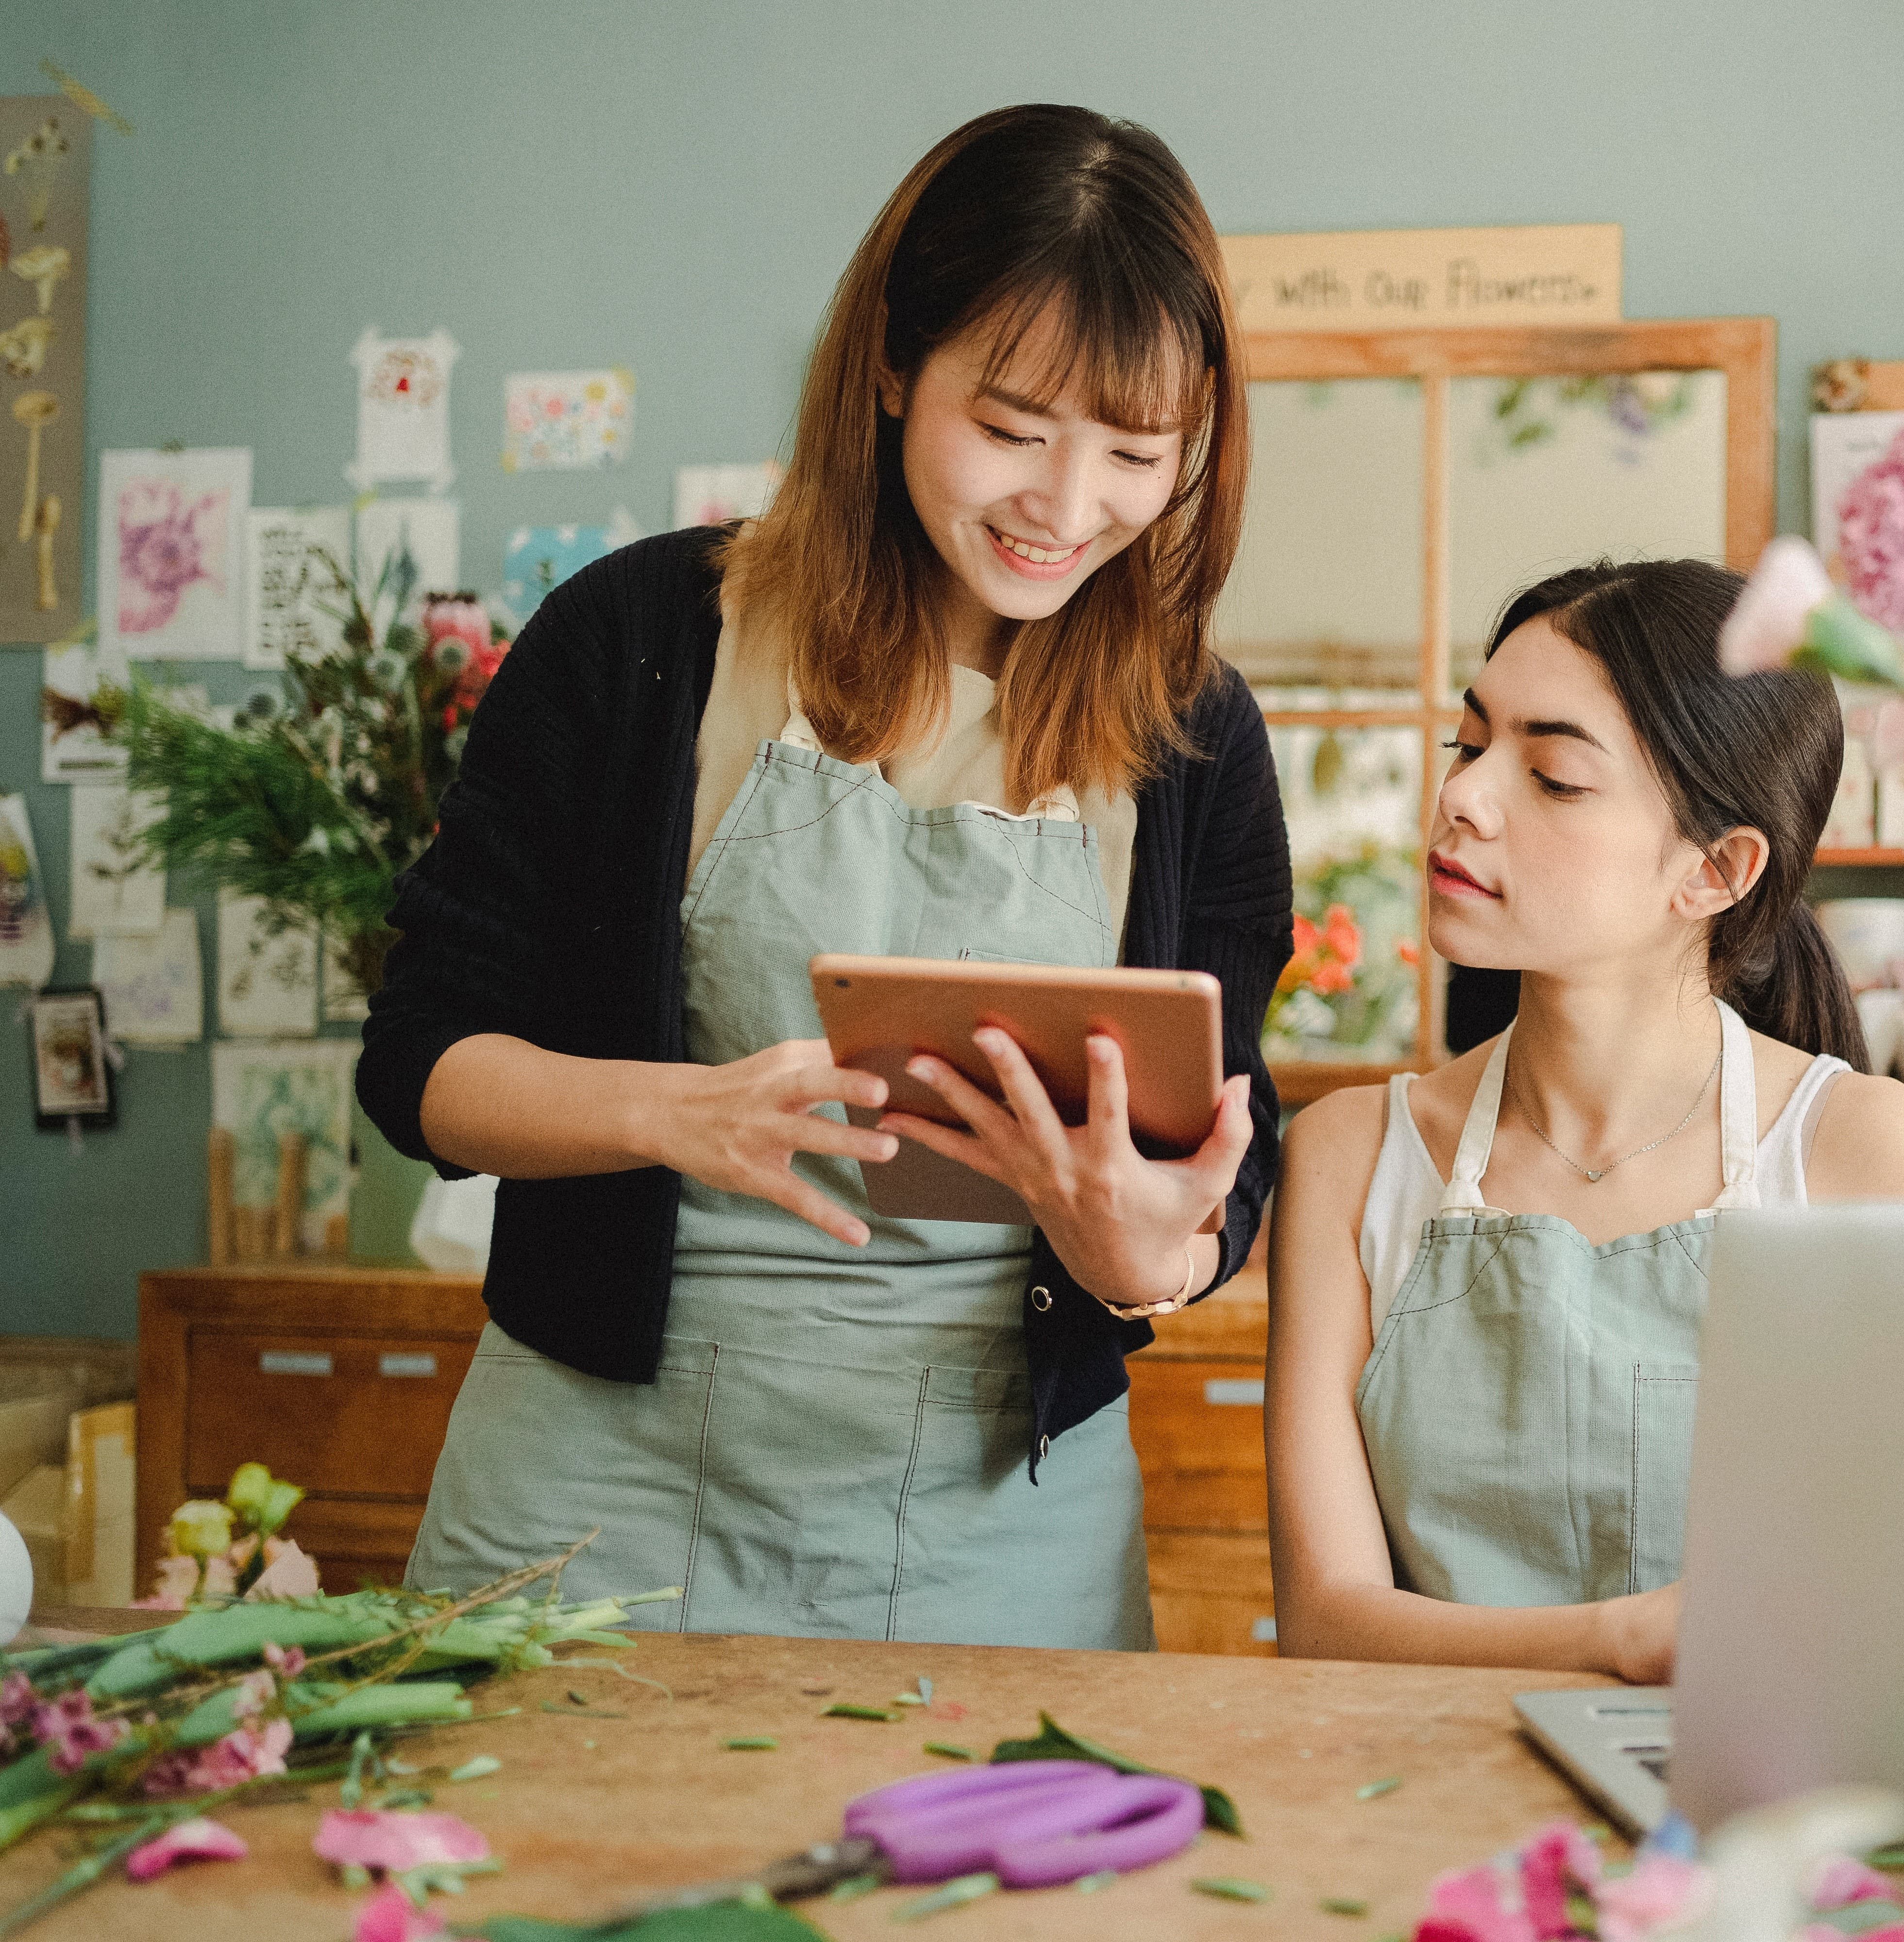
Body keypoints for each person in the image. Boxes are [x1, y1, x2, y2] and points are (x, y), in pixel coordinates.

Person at [357, 104, 1291, 1647]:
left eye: (1137, 454)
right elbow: (420, 1067)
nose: (1067, 510)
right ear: (887, 367)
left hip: (1004, 1515)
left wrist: (1154, 1257)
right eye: (1010, 428)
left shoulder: (1195, 735)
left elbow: (1228, 1156)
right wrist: (678, 1113)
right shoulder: (639, 638)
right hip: (589, 1482)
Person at [1264, 558, 1904, 1684]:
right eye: (1470, 743)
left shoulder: (1871, 1154)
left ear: (1715, 870)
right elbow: (1327, 1618)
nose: (1463, 796)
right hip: (1413, 1812)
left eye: (1551, 775)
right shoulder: (1352, 1154)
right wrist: (1621, 1636)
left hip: (1760, 1817)